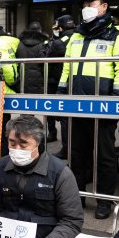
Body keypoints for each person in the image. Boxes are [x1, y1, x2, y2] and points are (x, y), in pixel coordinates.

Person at [57, 0, 119, 219]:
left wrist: (117, 97)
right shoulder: (77, 36)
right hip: (76, 103)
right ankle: (76, 198)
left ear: (104, 7)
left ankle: (104, 201)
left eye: (93, 2)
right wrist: (61, 90)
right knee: (76, 155)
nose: (87, 6)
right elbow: (67, 67)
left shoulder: (115, 34)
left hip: (102, 105)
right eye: (85, 3)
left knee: (104, 156)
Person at [46, 15, 73, 145]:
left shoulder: (58, 43)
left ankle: (64, 146)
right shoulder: (81, 36)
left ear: (61, 28)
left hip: (57, 81)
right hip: (76, 81)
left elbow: (48, 60)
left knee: (56, 111)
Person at [16, 21, 50, 94]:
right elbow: (44, 63)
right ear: (40, 31)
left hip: (22, 81)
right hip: (39, 82)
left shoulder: (19, 43)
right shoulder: (42, 44)